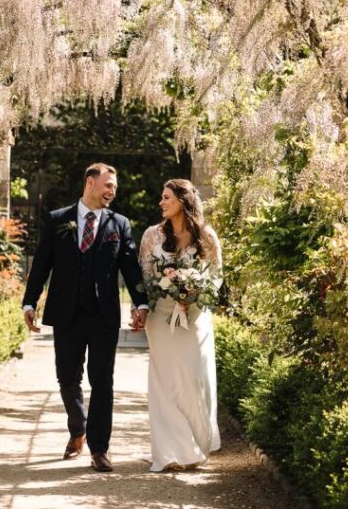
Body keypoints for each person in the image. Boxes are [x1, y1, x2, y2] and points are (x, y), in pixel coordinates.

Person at [22, 163, 149, 472]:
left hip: (104, 315)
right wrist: (29, 303)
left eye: (114, 188)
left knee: (102, 381)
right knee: (67, 378)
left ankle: (99, 449)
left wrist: (141, 303)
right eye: (108, 185)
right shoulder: (57, 220)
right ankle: (78, 428)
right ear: (90, 183)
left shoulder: (119, 224)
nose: (112, 191)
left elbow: (130, 267)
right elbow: (41, 264)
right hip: (67, 313)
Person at [140, 179, 223, 472]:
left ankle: (195, 446)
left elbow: (216, 277)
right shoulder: (152, 236)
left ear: (183, 201)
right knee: (163, 384)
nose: (161, 203)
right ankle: (168, 452)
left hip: (195, 317)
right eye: (161, 198)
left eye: (166, 198)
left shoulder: (207, 237)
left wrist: (193, 295)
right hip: (161, 318)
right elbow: (146, 276)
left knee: (193, 381)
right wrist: (166, 291)